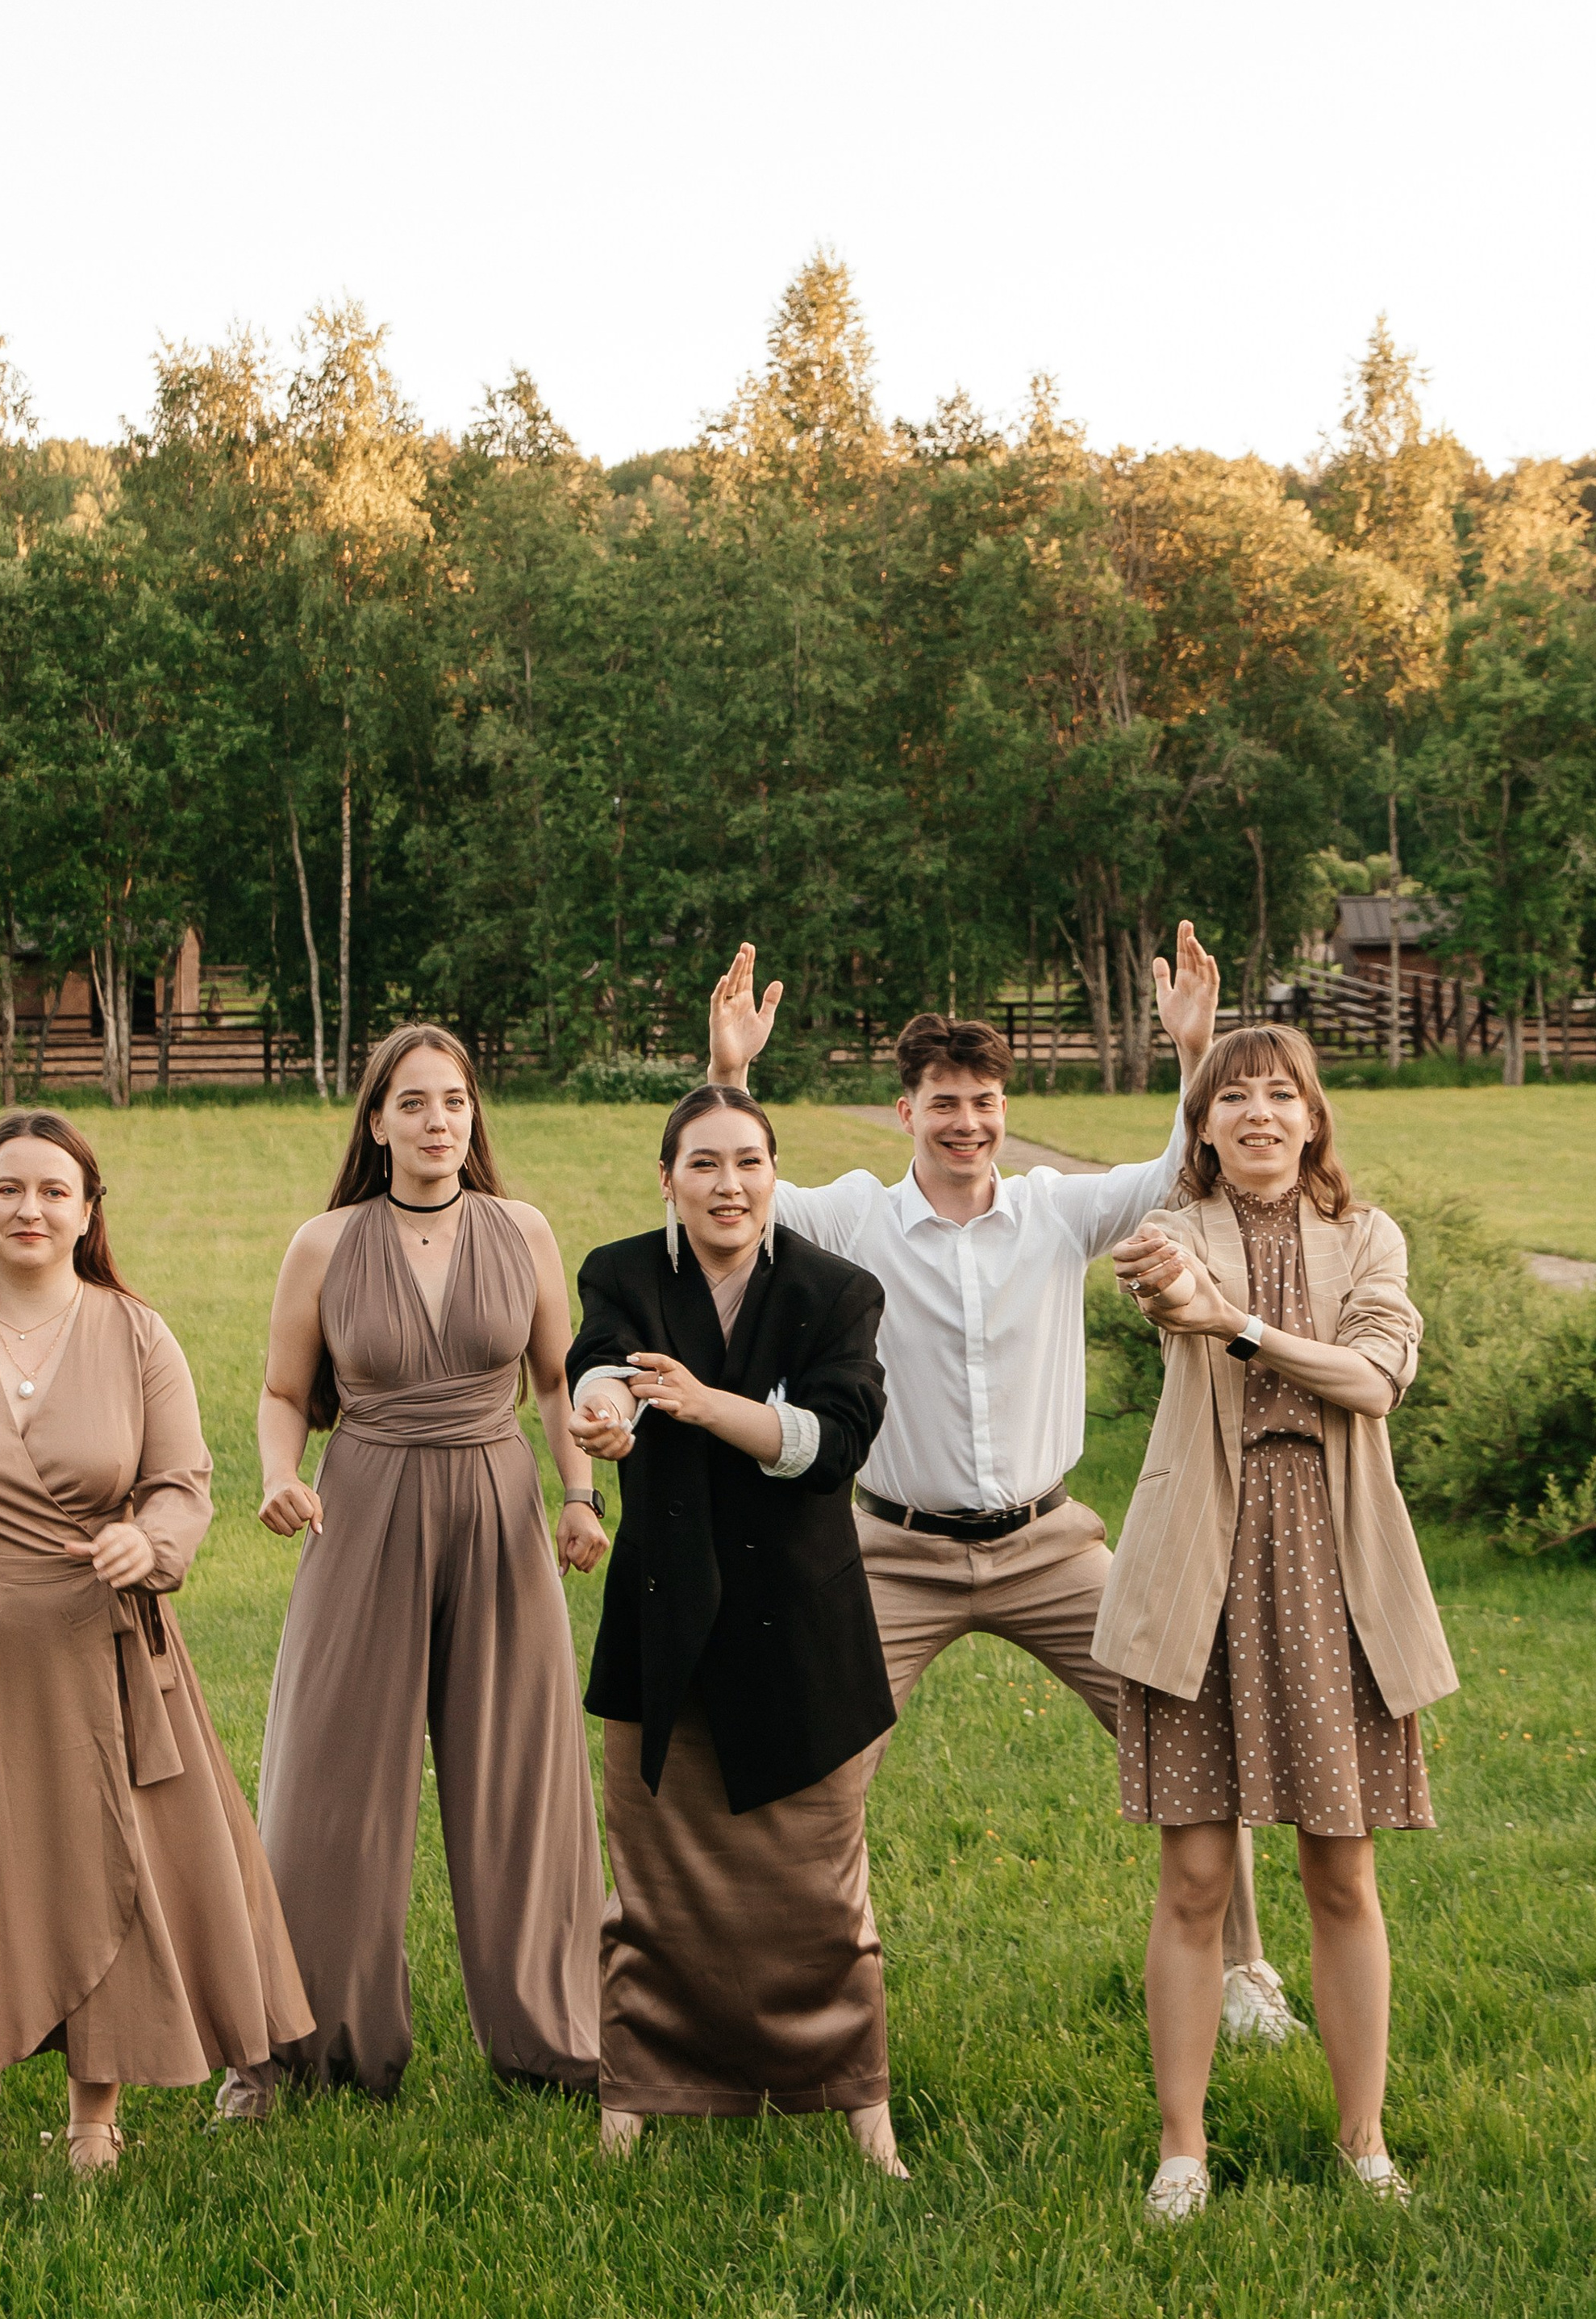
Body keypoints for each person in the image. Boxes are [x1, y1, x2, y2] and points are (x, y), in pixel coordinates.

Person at [706, 933, 1294, 2042]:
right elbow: (743, 1188)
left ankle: (1243, 1978)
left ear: (1004, 1109)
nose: (967, 1122)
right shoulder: (856, 1219)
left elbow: (1179, 1171)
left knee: (1188, 1723)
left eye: (983, 1101)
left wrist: (1193, 1051)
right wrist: (732, 1073)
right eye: (944, 1103)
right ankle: (793, 1990)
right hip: (896, 1551)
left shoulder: (1053, 1212)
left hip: (1051, 1548)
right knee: (814, 1766)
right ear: (905, 1112)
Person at [0, 1110, 312, 2211]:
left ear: (88, 1214)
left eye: (55, 1192)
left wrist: (153, 1542)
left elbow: (181, 1481)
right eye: (8, 1190)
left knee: (108, 1873)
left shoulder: (138, 1336)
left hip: (97, 1643)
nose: (31, 1210)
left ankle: (96, 2119)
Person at [1094, 1025, 1456, 2219]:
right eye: (1231, 1096)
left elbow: (1375, 1378)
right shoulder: (1177, 1232)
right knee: (1194, 1876)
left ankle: (1365, 2146)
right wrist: (1184, 1298)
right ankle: (1183, 2150)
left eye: (1280, 1094)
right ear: (1201, 1129)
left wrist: (1239, 1326)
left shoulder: (1370, 1237)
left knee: (1342, 1874)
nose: (1256, 1113)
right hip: (1201, 1563)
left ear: (1313, 1120)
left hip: (1335, 1570)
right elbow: (1166, 1292)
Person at [222, 1024, 607, 2110]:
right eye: (416, 1103)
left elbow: (551, 1382)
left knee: (522, 1773)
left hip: (497, 1503)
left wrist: (578, 1496)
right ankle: (307, 2049)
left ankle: (559, 2039)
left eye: (456, 1102)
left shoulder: (520, 1229)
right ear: (377, 1121)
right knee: (329, 1778)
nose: (440, 1121)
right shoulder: (326, 1243)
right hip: (364, 1503)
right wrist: (277, 1473)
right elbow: (283, 1392)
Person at [567, 1086, 906, 2171]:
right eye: (704, 1164)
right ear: (667, 1179)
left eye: (749, 1163)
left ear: (775, 1174)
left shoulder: (834, 1290)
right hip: (664, 1619)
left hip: (802, 1626)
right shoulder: (623, 1271)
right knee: (654, 1884)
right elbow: (603, 1363)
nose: (729, 1184)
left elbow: (836, 1443)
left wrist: (706, 1403)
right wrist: (607, 1410)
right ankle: (638, 2095)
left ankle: (861, 2107)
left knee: (819, 1892)